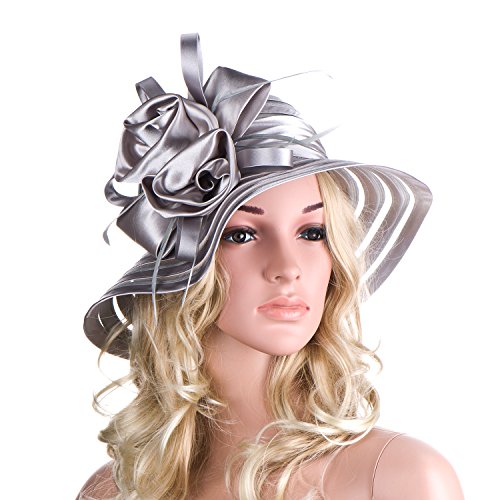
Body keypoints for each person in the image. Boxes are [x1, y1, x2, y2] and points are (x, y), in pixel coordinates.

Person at [77, 34, 464, 499]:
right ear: (186, 263)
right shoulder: (116, 488)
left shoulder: (398, 477)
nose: (287, 268)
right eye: (242, 235)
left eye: (312, 233)